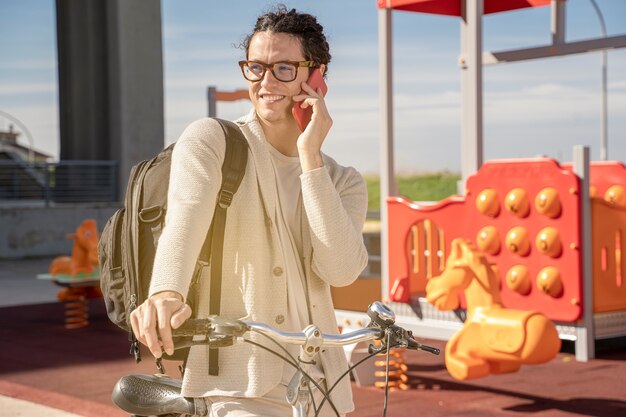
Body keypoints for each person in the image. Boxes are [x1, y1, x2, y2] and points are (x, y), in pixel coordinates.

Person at [130, 5, 368, 416]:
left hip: (324, 388)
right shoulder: (213, 141)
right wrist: (166, 291)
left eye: (283, 69)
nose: (265, 82)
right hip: (238, 383)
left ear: (316, 76)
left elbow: (341, 270)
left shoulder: (343, 181)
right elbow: (183, 221)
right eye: (255, 68)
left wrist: (309, 156)